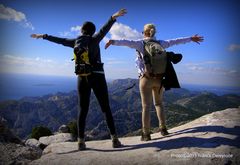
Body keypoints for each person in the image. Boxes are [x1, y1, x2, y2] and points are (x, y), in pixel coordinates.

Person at [31, 9, 127, 150]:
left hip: (82, 77)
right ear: (92, 31)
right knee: (105, 108)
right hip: (98, 76)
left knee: (82, 109)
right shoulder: (95, 39)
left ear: (82, 30)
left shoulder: (75, 41)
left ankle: (81, 142)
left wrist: (43, 36)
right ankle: (115, 140)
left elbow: (60, 40)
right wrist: (113, 17)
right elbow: (104, 30)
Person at [105, 23, 204, 141]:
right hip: (159, 80)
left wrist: (112, 41)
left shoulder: (140, 43)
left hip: (146, 79)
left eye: (142, 32)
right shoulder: (161, 44)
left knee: (146, 106)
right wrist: (190, 39)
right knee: (159, 104)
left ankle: (146, 134)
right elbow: (176, 41)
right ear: (154, 33)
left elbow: (126, 41)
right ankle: (163, 129)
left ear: (145, 33)